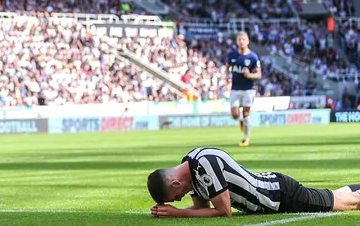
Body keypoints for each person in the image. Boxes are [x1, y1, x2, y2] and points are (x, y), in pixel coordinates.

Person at [147, 147, 360, 218]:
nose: (180, 198)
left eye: (176, 196)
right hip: (273, 192)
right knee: (334, 196)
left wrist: (178, 212)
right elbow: (201, 208)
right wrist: (170, 212)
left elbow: (224, 211)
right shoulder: (191, 169)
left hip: (278, 195)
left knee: (347, 203)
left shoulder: (204, 164)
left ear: (175, 183)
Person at [225, 31, 262, 147]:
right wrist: (227, 77)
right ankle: (240, 121)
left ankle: (246, 139)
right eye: (239, 40)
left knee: (246, 113)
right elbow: (227, 67)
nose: (241, 42)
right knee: (235, 114)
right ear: (236, 41)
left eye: (243, 40)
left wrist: (250, 75)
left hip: (248, 89)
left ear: (248, 41)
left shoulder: (253, 57)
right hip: (235, 88)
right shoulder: (232, 55)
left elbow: (259, 75)